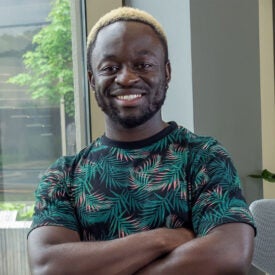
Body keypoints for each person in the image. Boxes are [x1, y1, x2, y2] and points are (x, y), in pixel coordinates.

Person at [27, 6, 256, 275]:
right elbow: (48, 266)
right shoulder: (63, 176)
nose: (125, 77)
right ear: (92, 79)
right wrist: (164, 239)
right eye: (110, 67)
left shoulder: (204, 157)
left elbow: (229, 254)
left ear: (166, 73)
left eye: (143, 65)